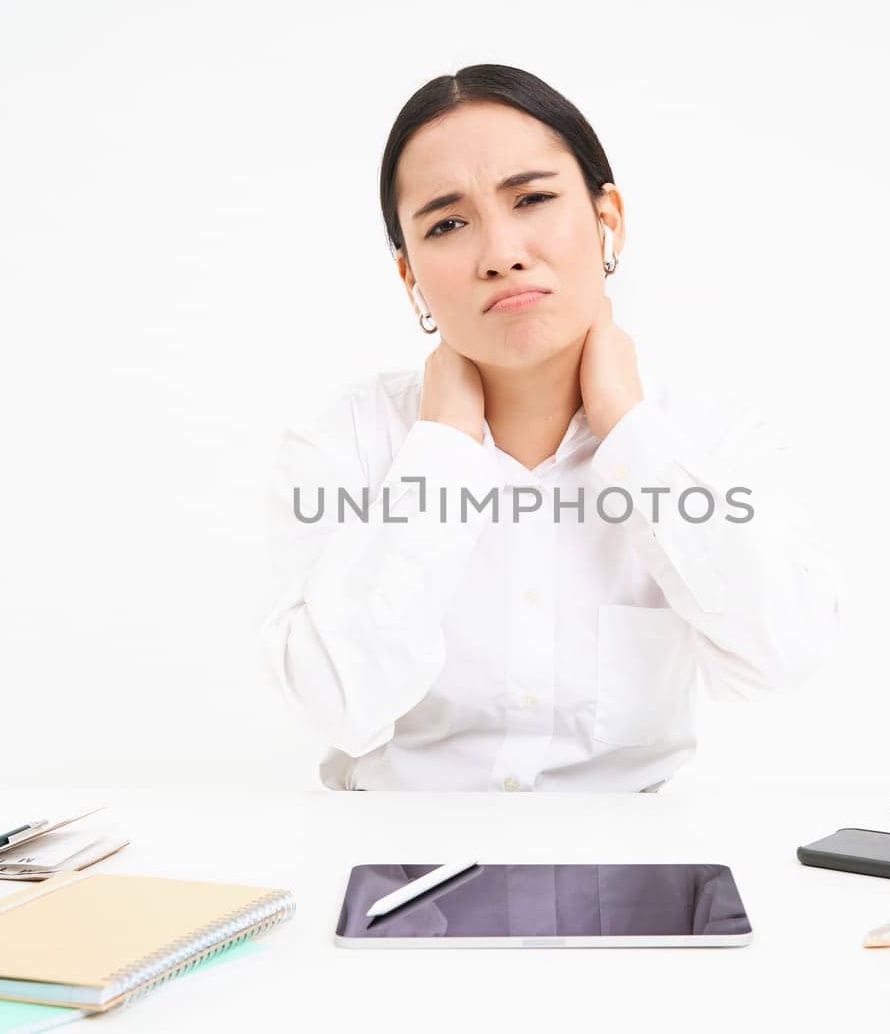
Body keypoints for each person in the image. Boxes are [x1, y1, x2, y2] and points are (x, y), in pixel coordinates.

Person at [259, 64, 840, 792]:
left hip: (634, 866)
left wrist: (630, 432)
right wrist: (440, 450)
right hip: (397, 859)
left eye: (531, 198)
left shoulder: (709, 437)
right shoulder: (343, 440)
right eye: (448, 223)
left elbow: (779, 656)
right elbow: (335, 704)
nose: (501, 252)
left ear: (609, 220)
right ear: (411, 277)